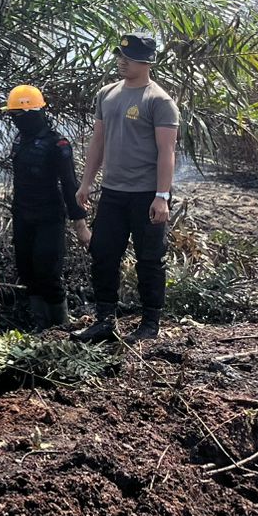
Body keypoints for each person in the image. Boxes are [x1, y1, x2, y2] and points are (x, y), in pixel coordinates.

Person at [74, 34, 180, 344]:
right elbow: (98, 141)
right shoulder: (107, 94)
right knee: (103, 254)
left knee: (150, 259)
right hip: (113, 192)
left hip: (147, 194)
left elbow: (167, 152)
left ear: (147, 62)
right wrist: (87, 182)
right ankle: (105, 319)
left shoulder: (159, 100)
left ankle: (150, 323)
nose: (122, 61)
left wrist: (162, 196)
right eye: (120, 54)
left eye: (129, 57)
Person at [3, 85, 91, 330]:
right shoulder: (19, 140)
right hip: (22, 216)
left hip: (49, 218)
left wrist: (80, 225)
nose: (15, 121)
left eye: (18, 116)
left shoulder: (58, 144)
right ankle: (40, 327)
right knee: (27, 270)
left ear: (33, 113)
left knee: (48, 272)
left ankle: (60, 328)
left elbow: (70, 184)